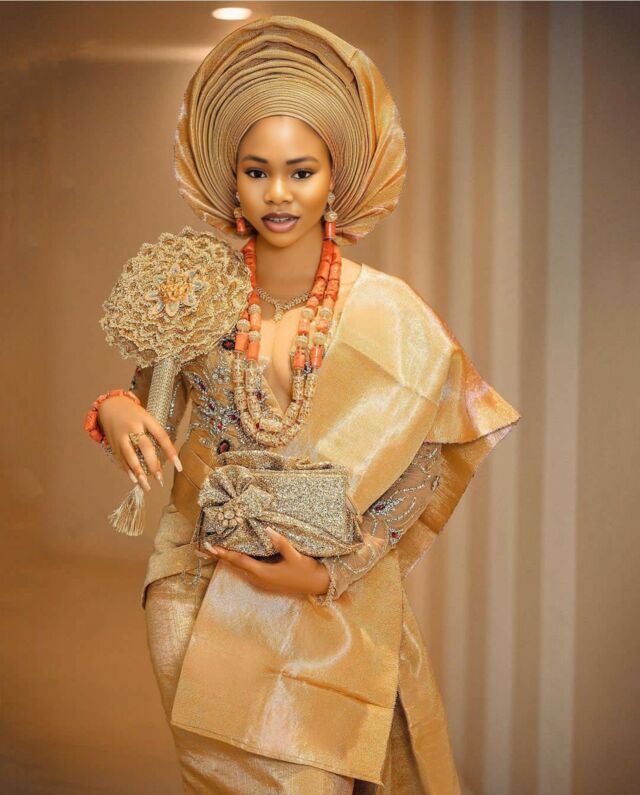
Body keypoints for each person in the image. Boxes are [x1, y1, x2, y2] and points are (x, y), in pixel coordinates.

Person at [86, 15, 520, 794]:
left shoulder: (390, 310)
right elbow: (147, 395)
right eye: (257, 171)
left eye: (301, 171)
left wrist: (326, 575)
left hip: (330, 602)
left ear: (335, 179)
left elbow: (428, 461)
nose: (278, 193)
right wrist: (117, 408)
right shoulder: (192, 289)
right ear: (232, 180)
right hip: (199, 583)